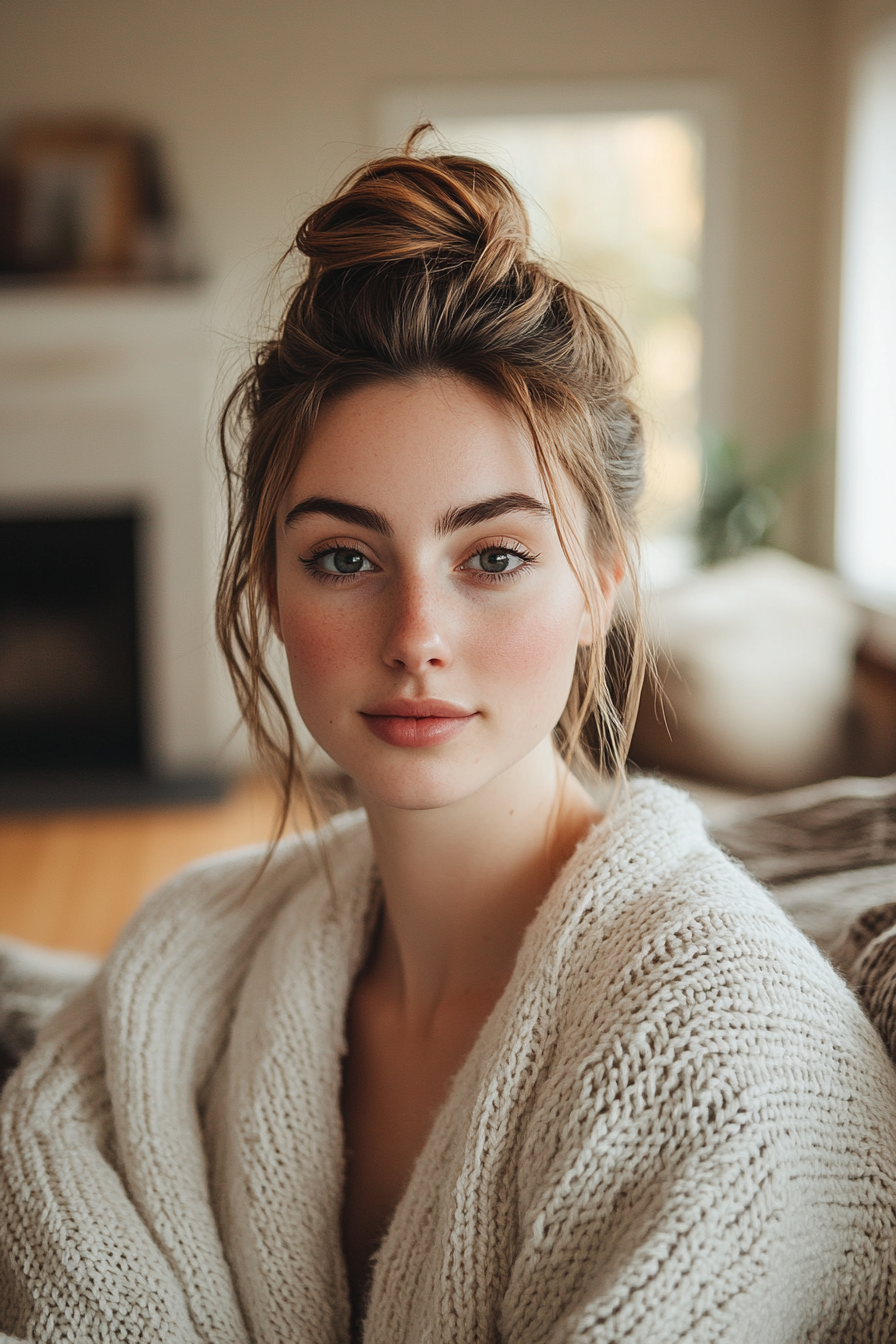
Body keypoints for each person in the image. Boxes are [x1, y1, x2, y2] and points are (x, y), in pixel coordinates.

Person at [1, 132, 895, 1344]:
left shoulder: (723, 1049)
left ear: (599, 586)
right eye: (344, 558)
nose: (417, 633)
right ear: (270, 585)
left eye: (494, 557)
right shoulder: (187, 958)